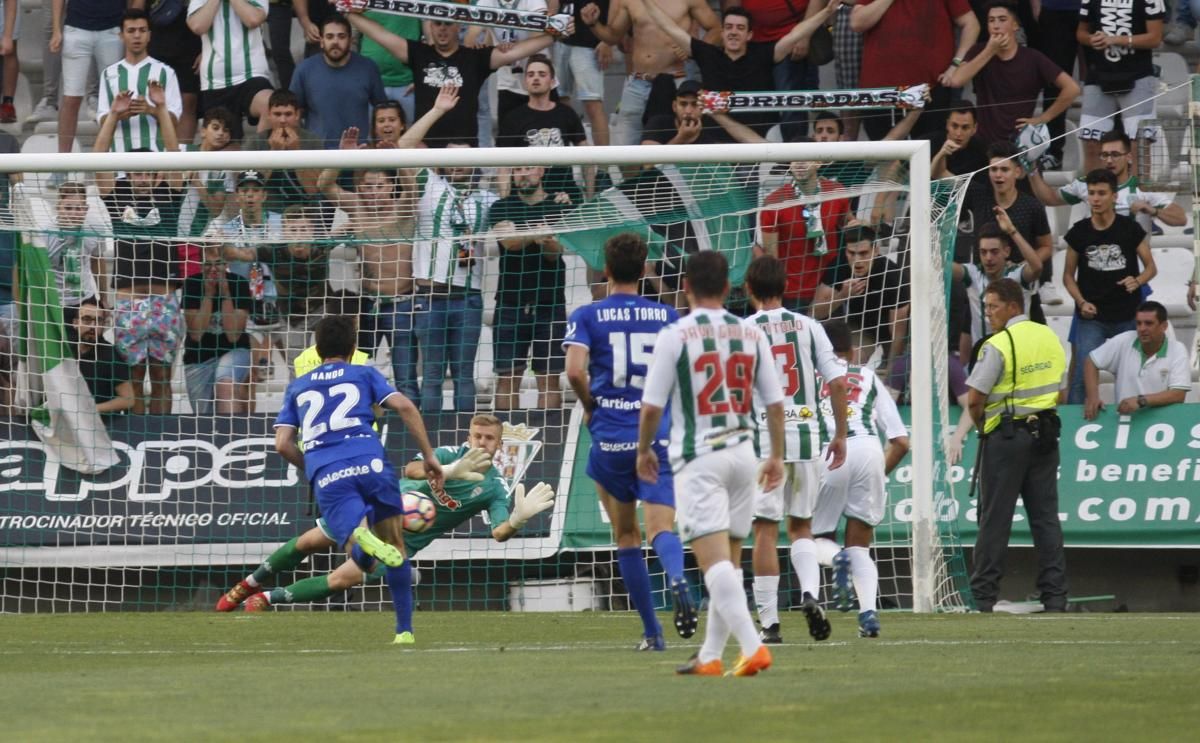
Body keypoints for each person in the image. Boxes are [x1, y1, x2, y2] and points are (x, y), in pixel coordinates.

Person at [223, 416, 554, 639]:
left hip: (401, 545)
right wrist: (447, 471)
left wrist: (516, 520)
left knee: (340, 579)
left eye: (490, 439)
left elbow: (498, 533)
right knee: (307, 543)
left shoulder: (495, 488)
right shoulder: (447, 453)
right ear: (469, 436)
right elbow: (410, 470)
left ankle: (267, 597)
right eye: (478, 436)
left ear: (499, 444)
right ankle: (247, 584)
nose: (482, 443)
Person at [638, 251, 795, 677]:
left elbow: (652, 406)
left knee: (714, 565)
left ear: (686, 287)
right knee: (728, 560)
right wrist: (776, 455)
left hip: (700, 459)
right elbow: (776, 404)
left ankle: (752, 645)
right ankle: (710, 655)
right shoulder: (750, 334)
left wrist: (643, 449)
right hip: (745, 457)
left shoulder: (676, 334)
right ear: (728, 288)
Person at [273, 314, 444, 643]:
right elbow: (406, 406)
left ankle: (364, 544)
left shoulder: (298, 386)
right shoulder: (364, 372)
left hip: (329, 470)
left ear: (317, 349)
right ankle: (404, 631)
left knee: (357, 546)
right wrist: (429, 455)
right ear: (353, 348)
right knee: (395, 547)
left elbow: (282, 444)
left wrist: (312, 468)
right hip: (371, 461)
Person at [562, 233, 693, 651]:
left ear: (605, 268)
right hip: (655, 436)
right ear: (643, 270)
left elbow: (575, 371)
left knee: (626, 536)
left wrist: (591, 407)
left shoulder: (588, 315)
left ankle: (653, 634)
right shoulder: (669, 316)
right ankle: (675, 577)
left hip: (611, 437)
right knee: (662, 528)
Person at [317, 87, 462, 395]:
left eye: (380, 185)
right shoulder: (356, 206)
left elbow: (409, 189)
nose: (373, 192)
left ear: (390, 186)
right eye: (368, 186)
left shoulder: (404, 207)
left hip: (404, 304)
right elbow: (324, 183)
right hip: (367, 306)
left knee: (406, 379)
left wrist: (396, 159)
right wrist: (342, 158)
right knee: (356, 377)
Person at [742, 255, 848, 646]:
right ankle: (810, 594)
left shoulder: (745, 330)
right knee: (802, 526)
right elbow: (837, 383)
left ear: (749, 289)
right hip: (807, 436)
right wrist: (840, 433)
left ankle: (770, 624)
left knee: (765, 531)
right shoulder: (809, 326)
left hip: (766, 442)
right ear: (784, 288)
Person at [966, 278, 1068, 613]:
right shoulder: (1049, 336)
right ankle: (1054, 596)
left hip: (1006, 437)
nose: (989, 312)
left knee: (995, 519)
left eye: (993, 305)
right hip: (1046, 435)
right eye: (986, 306)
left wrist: (986, 427)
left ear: (1013, 305)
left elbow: (975, 400)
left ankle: (983, 597)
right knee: (1045, 519)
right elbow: (1061, 389)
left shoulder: (999, 343)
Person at [811, 318, 908, 638]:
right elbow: (901, 441)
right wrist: (876, 475)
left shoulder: (812, 378)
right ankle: (868, 615)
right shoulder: (867, 375)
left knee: (813, 538)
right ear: (852, 351)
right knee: (861, 547)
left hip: (830, 452)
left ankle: (835, 558)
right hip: (869, 449)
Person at [345, 7, 566, 147]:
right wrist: (348, 12)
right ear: (430, 26)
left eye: (448, 23)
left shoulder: (474, 58)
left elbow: (518, 51)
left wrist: (555, 35)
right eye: (437, 23)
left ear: (458, 26)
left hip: (463, 154)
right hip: (426, 152)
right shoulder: (419, 53)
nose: (442, 29)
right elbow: (381, 35)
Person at [94, 85, 186, 415]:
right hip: (128, 302)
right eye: (136, 172)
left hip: (165, 301)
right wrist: (114, 116)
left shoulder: (169, 194)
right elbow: (98, 159)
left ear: (156, 173)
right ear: (128, 173)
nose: (143, 178)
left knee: (162, 377)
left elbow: (175, 155)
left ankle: (159, 437)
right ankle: (139, 441)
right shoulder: (116, 193)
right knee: (134, 378)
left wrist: (161, 110)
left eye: (148, 172)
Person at [641, 1, 840, 141]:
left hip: (760, 144)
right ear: (723, 32)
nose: (734, 32)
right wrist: (646, 3)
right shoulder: (708, 54)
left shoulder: (764, 54)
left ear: (749, 34)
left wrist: (825, 12)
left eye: (739, 28)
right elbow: (670, 28)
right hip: (716, 144)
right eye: (728, 27)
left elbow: (797, 33)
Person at [411, 144, 498, 412]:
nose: (458, 162)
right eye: (451, 156)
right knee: (432, 376)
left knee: (464, 375)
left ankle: (465, 440)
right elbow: (403, 147)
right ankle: (430, 442)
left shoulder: (488, 199)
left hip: (467, 298)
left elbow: (515, 211)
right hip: (430, 297)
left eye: (465, 156)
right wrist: (437, 110)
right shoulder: (431, 185)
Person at [488, 166, 581, 411]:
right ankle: (506, 440)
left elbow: (554, 251)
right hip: (510, 303)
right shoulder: (501, 206)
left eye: (528, 168)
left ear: (540, 171)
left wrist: (527, 233)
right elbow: (509, 242)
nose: (522, 174)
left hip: (549, 304)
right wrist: (539, 231)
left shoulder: (561, 204)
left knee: (548, 378)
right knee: (507, 378)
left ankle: (549, 444)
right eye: (516, 169)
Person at [1062, 168, 1157, 403]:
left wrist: (1138, 281)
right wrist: (1081, 302)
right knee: (1081, 376)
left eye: (1102, 193)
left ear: (1114, 196)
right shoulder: (1079, 232)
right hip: (1092, 317)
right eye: (1092, 193)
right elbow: (1067, 276)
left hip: (1126, 314)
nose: (1095, 198)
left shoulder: (1129, 228)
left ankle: (1132, 425)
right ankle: (1073, 429)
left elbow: (1151, 268)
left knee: (1130, 375)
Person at [583, 0, 721, 148]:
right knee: (624, 151)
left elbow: (717, 29)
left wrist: (694, 49)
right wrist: (593, 24)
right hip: (638, 82)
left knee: (675, 143)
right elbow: (613, 36)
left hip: (675, 81)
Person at [945, 1, 1079, 148]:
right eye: (991, 20)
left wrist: (1042, 118)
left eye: (1002, 20)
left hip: (1018, 144)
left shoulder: (1033, 58)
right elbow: (956, 80)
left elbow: (1072, 88)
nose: (996, 25)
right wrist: (990, 51)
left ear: (1015, 25)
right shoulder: (978, 51)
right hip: (983, 143)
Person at [849, 0, 979, 139]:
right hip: (881, 92)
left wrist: (956, 64)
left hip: (930, 89)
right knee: (884, 157)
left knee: (929, 154)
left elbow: (971, 24)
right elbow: (857, 23)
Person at [1028, 131, 1188, 236]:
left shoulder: (1143, 188)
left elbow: (1181, 218)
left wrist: (1153, 211)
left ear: (1129, 157)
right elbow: (1048, 198)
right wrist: (1032, 168)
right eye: (1104, 155)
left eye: (1115, 155)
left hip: (1134, 271)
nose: (1109, 160)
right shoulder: (1086, 184)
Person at [757, 142, 853, 313]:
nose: (799, 163)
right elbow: (771, 257)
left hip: (829, 286)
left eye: (805, 158)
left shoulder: (837, 192)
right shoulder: (774, 203)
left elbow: (850, 226)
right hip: (792, 292)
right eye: (795, 159)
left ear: (819, 162)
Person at [960, 143, 1054, 308]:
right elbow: (941, 176)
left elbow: (1046, 246)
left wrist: (1023, 265)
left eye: (1004, 170)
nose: (998, 175)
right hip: (983, 290)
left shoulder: (1032, 206)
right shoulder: (978, 196)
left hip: (1020, 288)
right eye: (993, 169)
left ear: (1017, 172)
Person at [1076, 0, 1165, 174]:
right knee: (1092, 143)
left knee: (1139, 143)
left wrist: (1116, 39)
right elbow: (1081, 33)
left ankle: (1137, 198)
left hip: (1138, 75)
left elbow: (1155, 38)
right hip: (1098, 75)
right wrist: (1091, 39)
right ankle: (1096, 195)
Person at [811, 224, 910, 374]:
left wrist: (892, 370)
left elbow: (898, 331)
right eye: (851, 253)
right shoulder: (839, 266)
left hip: (896, 331)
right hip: (863, 327)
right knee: (847, 361)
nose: (857, 260)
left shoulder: (893, 276)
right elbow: (814, 313)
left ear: (875, 251)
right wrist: (842, 296)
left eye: (863, 253)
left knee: (899, 372)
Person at [497, 55, 589, 197]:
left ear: (552, 82)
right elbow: (503, 166)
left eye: (542, 74)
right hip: (527, 197)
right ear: (525, 81)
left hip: (565, 196)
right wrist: (505, 203)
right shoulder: (512, 118)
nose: (536, 78)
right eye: (531, 74)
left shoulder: (566, 113)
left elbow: (587, 157)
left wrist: (589, 196)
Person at [290, 14, 387, 148]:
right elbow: (294, 113)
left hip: (359, 153)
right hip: (317, 155)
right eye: (330, 36)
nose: (335, 41)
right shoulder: (304, 70)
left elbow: (382, 110)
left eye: (341, 36)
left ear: (350, 40)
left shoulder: (368, 67)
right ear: (322, 41)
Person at [1083, 300, 1190, 420]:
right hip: (1125, 421)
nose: (1142, 328)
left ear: (1164, 326)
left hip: (1161, 423)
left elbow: (1178, 394)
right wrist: (1093, 397)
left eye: (1148, 323)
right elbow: (1091, 361)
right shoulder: (1124, 340)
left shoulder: (1177, 349)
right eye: (1138, 323)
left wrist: (1141, 401)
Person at [181, 243, 255, 415]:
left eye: (218, 263)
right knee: (204, 414)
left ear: (226, 263)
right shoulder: (192, 284)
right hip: (199, 355)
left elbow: (233, 335)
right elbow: (197, 333)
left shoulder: (239, 283)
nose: (213, 269)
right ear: (201, 264)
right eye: (208, 264)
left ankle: (233, 436)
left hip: (234, 350)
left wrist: (226, 294)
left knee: (225, 384)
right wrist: (208, 295)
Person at [97, 9, 183, 153]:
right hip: (119, 165)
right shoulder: (108, 74)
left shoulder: (166, 72)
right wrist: (121, 113)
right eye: (131, 31)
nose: (137, 36)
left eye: (142, 30)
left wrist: (151, 110)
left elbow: (174, 120)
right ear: (121, 36)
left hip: (155, 165)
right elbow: (102, 120)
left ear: (149, 35)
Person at [187, 0, 275, 141]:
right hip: (215, 81)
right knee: (222, 146)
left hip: (251, 73)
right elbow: (197, 26)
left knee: (270, 105)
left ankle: (260, 160)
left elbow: (253, 19)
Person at [952, 218, 1043, 348]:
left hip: (1016, 354)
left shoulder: (1017, 275)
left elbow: (1037, 267)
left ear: (1007, 251)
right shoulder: (972, 274)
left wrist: (1012, 231)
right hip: (984, 357)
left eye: (994, 252)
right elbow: (942, 267)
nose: (988, 258)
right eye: (983, 252)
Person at [51, 0, 124, 154]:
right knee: (71, 98)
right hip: (76, 28)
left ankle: (114, 159)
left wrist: (129, 22)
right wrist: (56, 29)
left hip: (113, 29)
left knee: (115, 98)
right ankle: (62, 163)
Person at [553, 0, 613, 147]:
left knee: (593, 104)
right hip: (561, 38)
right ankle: (569, 159)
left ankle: (603, 165)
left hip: (590, 42)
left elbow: (617, 6)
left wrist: (608, 41)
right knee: (560, 101)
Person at [43, 182, 107, 312]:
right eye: (67, 208)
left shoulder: (96, 227)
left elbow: (98, 261)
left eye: (78, 209)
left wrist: (104, 298)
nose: (73, 214)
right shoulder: (45, 234)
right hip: (56, 302)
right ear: (58, 207)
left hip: (86, 299)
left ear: (86, 209)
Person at [65, 300, 136, 415]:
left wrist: (92, 409)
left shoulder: (111, 355)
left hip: (103, 424)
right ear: (75, 322)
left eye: (98, 321)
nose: (93, 326)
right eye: (87, 319)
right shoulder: (65, 351)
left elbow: (128, 400)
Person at [930, 102, 989, 180]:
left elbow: (980, 187)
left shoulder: (982, 151)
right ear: (947, 124)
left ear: (974, 128)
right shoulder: (928, 143)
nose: (958, 133)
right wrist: (941, 155)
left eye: (965, 127)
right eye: (954, 126)